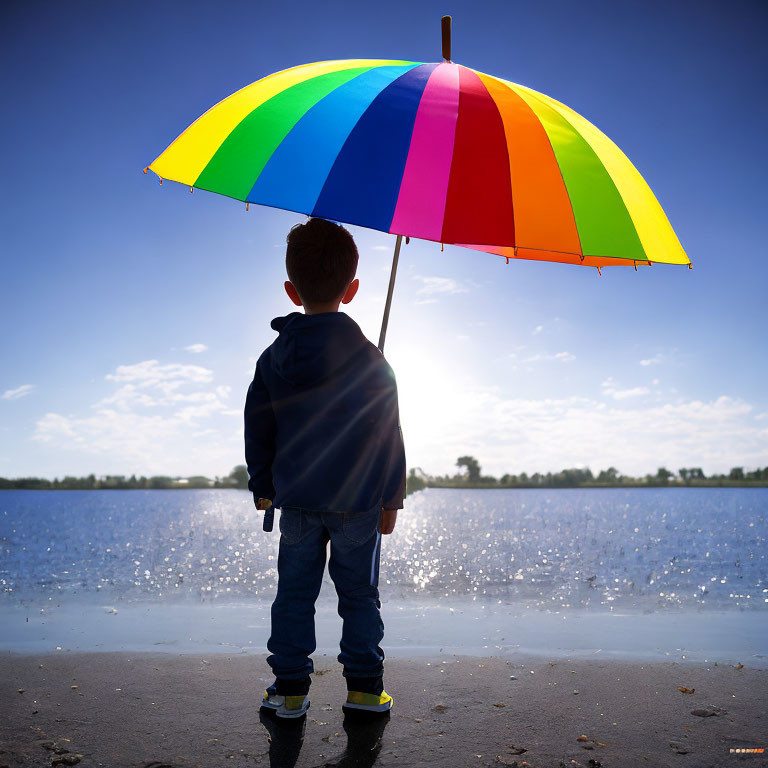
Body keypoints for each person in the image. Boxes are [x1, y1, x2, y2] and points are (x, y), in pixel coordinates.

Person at [244, 217, 406, 719]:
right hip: (357, 501)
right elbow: (389, 432)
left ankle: (289, 690)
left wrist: (263, 483)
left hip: (295, 497)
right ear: (352, 290)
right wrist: (391, 495)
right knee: (359, 594)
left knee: (294, 594)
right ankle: (363, 689)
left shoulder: (273, 358)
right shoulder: (371, 359)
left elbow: (258, 427)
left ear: (291, 290)